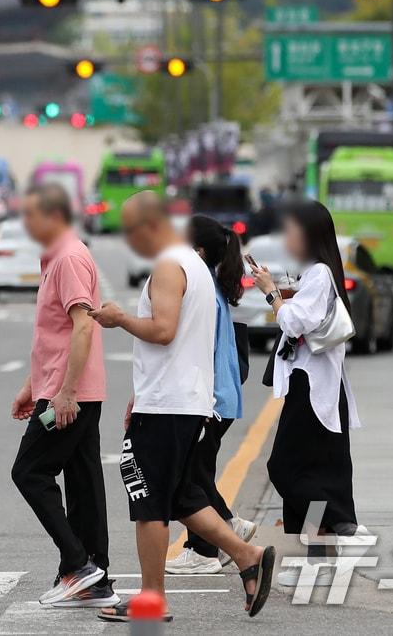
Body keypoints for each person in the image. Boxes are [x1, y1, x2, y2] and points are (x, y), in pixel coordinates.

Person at [89, 192, 276, 623]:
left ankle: (152, 601)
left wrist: (119, 319)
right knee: (183, 498)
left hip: (169, 406)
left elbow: (163, 330)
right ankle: (246, 555)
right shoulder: (193, 265)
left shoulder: (170, 265)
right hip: (181, 401)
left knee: (148, 501)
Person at [250, 200, 365, 587]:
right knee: (316, 468)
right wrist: (283, 289)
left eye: (292, 231)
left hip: (311, 387)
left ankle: (341, 521)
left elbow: (297, 321)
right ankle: (313, 561)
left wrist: (271, 294)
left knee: (284, 468)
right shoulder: (319, 273)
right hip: (316, 387)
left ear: (310, 235)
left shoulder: (319, 272)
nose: (287, 238)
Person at [9, 183, 114, 608]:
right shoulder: (56, 257)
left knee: (29, 472)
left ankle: (79, 564)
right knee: (84, 481)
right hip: (65, 388)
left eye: (31, 217)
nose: (26, 225)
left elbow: (83, 325)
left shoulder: (69, 257)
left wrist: (64, 393)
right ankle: (95, 576)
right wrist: (30, 388)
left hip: (70, 393)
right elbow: (53, 336)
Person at [166, 214, 258, 575]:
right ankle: (218, 534)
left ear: (198, 251)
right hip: (217, 396)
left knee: (189, 476)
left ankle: (209, 546)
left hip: (211, 398)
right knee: (195, 472)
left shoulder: (202, 288)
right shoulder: (209, 285)